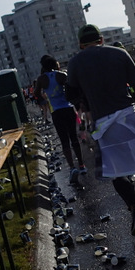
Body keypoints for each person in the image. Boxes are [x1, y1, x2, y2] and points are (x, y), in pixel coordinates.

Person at [66, 24, 135, 236]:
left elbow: (70, 93)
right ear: (101, 39)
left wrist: (85, 106)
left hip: (102, 123)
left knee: (117, 174)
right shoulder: (119, 54)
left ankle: (134, 205)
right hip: (127, 117)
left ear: (81, 44)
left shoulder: (75, 62)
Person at [35, 54, 87, 184]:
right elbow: (73, 86)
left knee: (64, 141)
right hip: (68, 108)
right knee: (74, 138)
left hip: (56, 112)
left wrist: (44, 100)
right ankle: (81, 165)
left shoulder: (41, 79)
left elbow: (36, 93)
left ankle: (72, 167)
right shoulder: (61, 75)